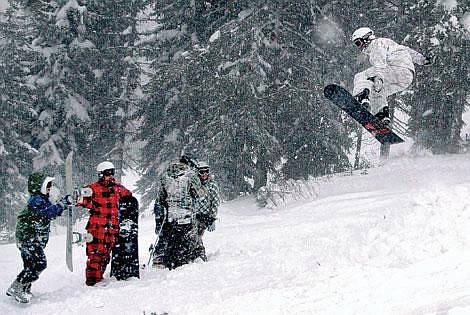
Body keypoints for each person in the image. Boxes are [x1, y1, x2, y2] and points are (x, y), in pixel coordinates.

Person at [6, 173, 71, 303]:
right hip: (29, 238)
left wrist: (61, 204)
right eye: (47, 185)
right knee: (40, 264)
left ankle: (24, 289)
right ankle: (16, 288)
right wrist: (63, 204)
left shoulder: (40, 199)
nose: (49, 188)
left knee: (30, 265)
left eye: (50, 185)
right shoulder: (37, 199)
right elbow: (49, 213)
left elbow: (49, 211)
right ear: (39, 186)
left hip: (27, 239)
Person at [351, 27, 431, 124]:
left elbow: (379, 65)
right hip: (407, 77)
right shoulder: (390, 44)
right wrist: (422, 59)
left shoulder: (376, 44)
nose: (359, 47)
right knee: (377, 91)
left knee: (361, 76)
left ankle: (361, 96)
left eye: (358, 43)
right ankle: (381, 114)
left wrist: (378, 78)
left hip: (396, 69)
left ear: (366, 38)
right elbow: (407, 51)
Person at [76, 161, 132, 286]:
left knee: (106, 254)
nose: (110, 176)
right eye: (107, 173)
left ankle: (99, 278)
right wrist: (77, 197)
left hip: (112, 227)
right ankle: (92, 280)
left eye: (112, 173)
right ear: (101, 175)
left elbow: (129, 197)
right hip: (97, 227)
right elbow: (80, 199)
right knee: (95, 253)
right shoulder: (93, 188)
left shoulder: (118, 189)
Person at [152, 154, 202, 269]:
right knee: (184, 240)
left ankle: (169, 262)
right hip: (185, 215)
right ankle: (181, 264)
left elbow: (160, 198)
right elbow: (197, 194)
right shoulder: (191, 176)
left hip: (171, 215)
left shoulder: (166, 176)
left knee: (172, 240)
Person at [193, 161, 220, 261]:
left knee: (196, 235)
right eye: (201, 172)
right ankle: (194, 254)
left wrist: (212, 218)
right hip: (193, 215)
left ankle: (200, 255)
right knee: (191, 234)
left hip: (204, 216)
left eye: (206, 172)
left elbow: (215, 202)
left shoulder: (212, 185)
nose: (204, 174)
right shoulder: (194, 185)